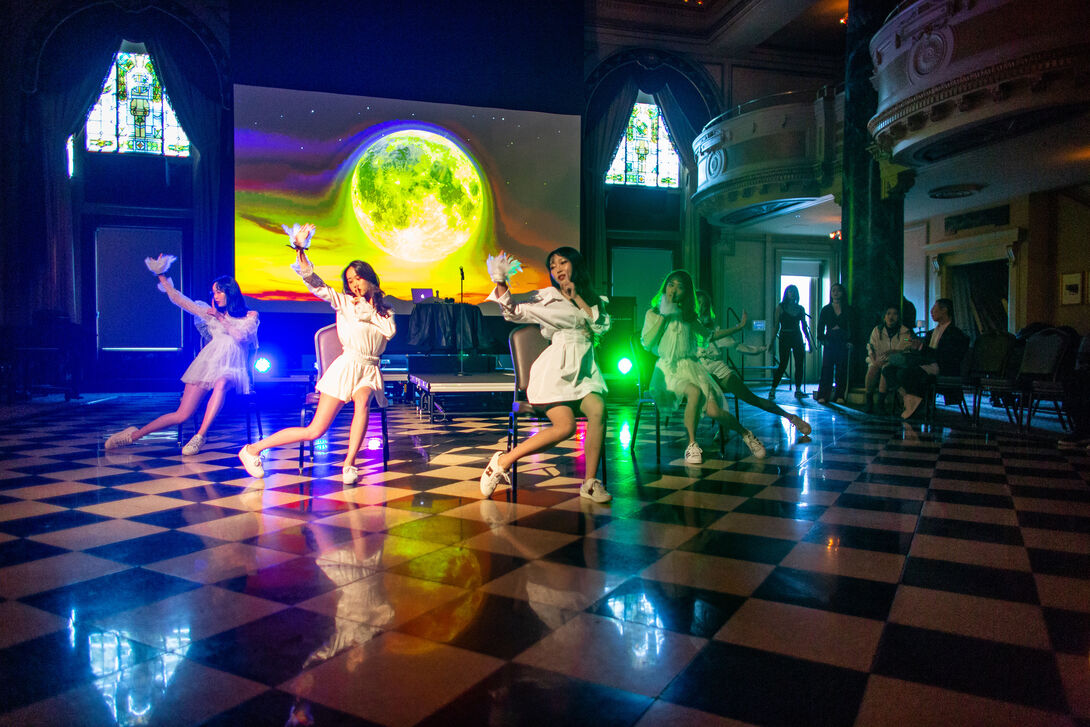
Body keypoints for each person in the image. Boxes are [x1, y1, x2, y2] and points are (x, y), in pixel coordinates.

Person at [238, 224, 395, 484]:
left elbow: (388, 331)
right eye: (350, 280)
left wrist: (368, 309)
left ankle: (349, 464)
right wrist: (300, 249)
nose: (354, 284)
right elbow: (315, 283)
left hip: (369, 368)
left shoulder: (385, 311)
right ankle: (253, 449)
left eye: (358, 278)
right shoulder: (344, 302)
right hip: (346, 367)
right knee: (315, 430)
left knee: (363, 402)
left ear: (369, 278)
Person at [478, 246, 612, 503]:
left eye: (563, 263)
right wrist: (501, 281)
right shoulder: (547, 296)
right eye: (553, 266)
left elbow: (600, 327)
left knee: (598, 409)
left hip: (584, 371)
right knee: (566, 427)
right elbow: (513, 311)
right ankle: (502, 461)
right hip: (556, 370)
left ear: (575, 265)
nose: (558, 269)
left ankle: (590, 483)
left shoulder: (595, 299)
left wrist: (577, 299)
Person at [106, 259, 259, 455]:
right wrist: (161, 275)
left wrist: (220, 317)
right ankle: (132, 436)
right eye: (214, 292)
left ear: (230, 292)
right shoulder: (208, 312)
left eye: (219, 291)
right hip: (207, 364)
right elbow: (180, 300)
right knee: (181, 415)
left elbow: (240, 337)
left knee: (221, 383)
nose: (216, 296)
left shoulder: (249, 315)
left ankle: (200, 436)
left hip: (232, 368)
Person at [642, 271, 770, 464]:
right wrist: (664, 316)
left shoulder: (689, 316)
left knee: (714, 411)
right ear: (665, 287)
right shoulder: (653, 313)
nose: (674, 290)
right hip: (669, 369)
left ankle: (746, 434)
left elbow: (709, 335)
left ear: (686, 293)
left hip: (692, 366)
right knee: (694, 392)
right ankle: (692, 445)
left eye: (680, 286)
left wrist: (737, 328)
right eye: (671, 284)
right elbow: (648, 343)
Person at [695, 289, 813, 439]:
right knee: (712, 401)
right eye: (698, 303)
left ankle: (790, 417)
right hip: (698, 370)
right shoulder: (687, 326)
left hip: (717, 368)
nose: (701, 307)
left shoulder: (714, 329)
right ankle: (724, 428)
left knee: (752, 398)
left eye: (704, 304)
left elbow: (737, 346)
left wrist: (760, 349)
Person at [884, 298, 969, 419]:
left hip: (941, 366)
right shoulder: (930, 333)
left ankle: (915, 402)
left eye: (934, 309)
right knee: (888, 369)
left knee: (905, 372)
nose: (931, 312)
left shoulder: (955, 334)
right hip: (924, 362)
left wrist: (922, 348)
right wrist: (915, 347)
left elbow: (945, 357)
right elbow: (924, 352)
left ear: (944, 310)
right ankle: (908, 398)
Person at [768, 284, 814, 400]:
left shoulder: (800, 308)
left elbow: (804, 327)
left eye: (794, 292)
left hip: (797, 336)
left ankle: (798, 390)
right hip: (785, 336)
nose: (792, 294)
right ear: (786, 293)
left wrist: (809, 342)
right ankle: (773, 389)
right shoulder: (780, 307)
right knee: (783, 363)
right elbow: (776, 326)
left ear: (796, 294)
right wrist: (771, 342)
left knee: (799, 363)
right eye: (789, 291)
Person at [864, 305, 912, 413]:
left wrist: (894, 353)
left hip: (893, 361)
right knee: (872, 369)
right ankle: (869, 400)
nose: (891, 317)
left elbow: (907, 343)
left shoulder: (904, 332)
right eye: (888, 313)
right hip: (878, 359)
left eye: (895, 314)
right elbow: (870, 346)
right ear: (884, 316)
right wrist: (875, 360)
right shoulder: (877, 330)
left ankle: (881, 402)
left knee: (886, 370)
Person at [814, 283, 852, 404]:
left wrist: (850, 341)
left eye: (838, 291)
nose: (835, 293)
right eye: (833, 291)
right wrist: (822, 339)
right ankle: (824, 395)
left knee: (841, 368)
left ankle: (840, 395)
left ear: (842, 293)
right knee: (827, 368)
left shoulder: (848, 309)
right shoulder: (826, 309)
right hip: (830, 339)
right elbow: (820, 326)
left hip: (842, 339)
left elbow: (853, 326)